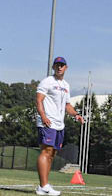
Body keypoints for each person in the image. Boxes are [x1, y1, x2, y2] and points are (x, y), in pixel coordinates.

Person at [35, 57, 84, 196]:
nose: (59, 67)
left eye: (62, 65)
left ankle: (44, 186)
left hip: (59, 124)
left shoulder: (66, 85)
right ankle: (43, 186)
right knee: (46, 151)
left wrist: (76, 115)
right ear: (53, 67)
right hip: (47, 122)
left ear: (66, 68)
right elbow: (39, 100)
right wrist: (43, 116)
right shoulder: (47, 82)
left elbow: (67, 105)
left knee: (52, 154)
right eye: (57, 65)